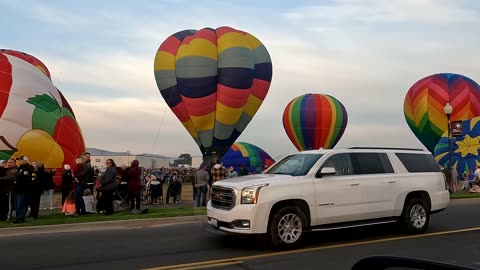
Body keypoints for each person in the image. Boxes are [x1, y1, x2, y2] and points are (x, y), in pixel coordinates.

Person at [13, 156, 33, 224]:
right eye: (19, 160)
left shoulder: (28, 168)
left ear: (25, 160)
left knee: (20, 205)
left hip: (23, 189)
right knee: (17, 205)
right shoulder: (19, 168)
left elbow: (26, 179)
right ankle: (18, 218)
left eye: (21, 160)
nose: (19, 161)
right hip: (17, 189)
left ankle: (20, 218)